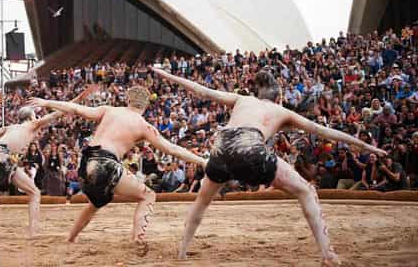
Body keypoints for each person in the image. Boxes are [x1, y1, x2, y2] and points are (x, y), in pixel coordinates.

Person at [152, 67, 387, 266]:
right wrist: (368, 146)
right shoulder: (281, 110)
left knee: (201, 202)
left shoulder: (242, 99)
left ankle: (182, 251)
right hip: (249, 145)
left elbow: (200, 89)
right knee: (306, 190)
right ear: (277, 96)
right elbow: (325, 131)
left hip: (220, 147)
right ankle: (327, 253)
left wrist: (165, 74)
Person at [27, 85, 207, 256]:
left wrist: (47, 102)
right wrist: (201, 160)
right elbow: (173, 149)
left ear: (128, 100)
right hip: (106, 162)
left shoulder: (109, 110)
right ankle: (138, 239)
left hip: (86, 162)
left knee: (96, 203)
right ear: (145, 106)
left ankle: (71, 237)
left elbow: (75, 109)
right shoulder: (144, 126)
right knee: (148, 195)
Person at [0, 85, 96, 237]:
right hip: (2, 159)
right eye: (35, 115)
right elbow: (59, 112)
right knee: (34, 193)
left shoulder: (10, 127)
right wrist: (79, 99)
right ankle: (33, 232)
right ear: (31, 116)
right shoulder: (33, 125)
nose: (36, 117)